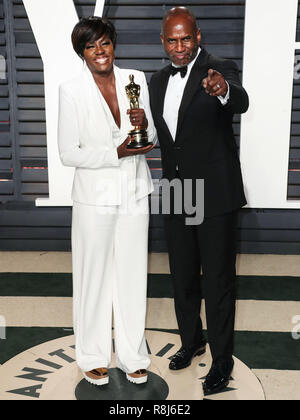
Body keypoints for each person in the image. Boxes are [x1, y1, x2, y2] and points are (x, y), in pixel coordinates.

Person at [149, 7, 249, 396]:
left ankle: (222, 359)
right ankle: (191, 340)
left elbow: (239, 101)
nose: (179, 47)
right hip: (176, 192)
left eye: (186, 38)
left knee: (219, 281)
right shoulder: (157, 81)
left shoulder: (219, 68)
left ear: (198, 35)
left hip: (215, 192)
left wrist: (224, 90)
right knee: (183, 276)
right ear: (163, 41)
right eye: (172, 40)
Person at [58, 17, 157, 386]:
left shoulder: (136, 79)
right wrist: (113, 152)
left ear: (114, 43)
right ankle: (92, 355)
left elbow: (148, 136)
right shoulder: (71, 90)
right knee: (92, 277)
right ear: (81, 53)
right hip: (94, 197)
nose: (100, 52)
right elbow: (68, 153)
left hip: (134, 191)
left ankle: (133, 355)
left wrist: (144, 127)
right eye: (91, 46)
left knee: (132, 276)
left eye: (105, 43)